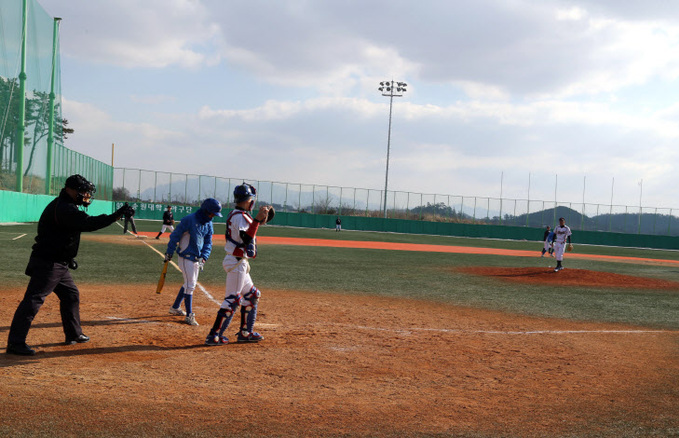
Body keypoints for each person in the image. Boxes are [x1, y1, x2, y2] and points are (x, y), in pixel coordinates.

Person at [6, 174, 131, 356]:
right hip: (49, 264)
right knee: (33, 300)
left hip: (58, 263)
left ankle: (73, 334)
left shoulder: (66, 205)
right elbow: (88, 223)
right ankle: (15, 343)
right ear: (69, 190)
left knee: (71, 295)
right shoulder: (65, 208)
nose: (85, 195)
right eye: (82, 191)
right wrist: (116, 215)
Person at [205, 183, 270, 346]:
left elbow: (249, 230)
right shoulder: (239, 216)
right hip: (236, 261)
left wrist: (260, 220)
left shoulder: (239, 214)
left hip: (239, 262)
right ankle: (214, 335)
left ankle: (245, 333)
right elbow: (246, 238)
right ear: (250, 200)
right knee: (233, 299)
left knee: (253, 295)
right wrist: (257, 220)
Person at [165, 198, 222, 326]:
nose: (212, 216)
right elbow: (175, 236)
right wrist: (170, 251)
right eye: (211, 213)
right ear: (205, 210)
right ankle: (189, 315)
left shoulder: (209, 224)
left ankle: (175, 307)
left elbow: (208, 242)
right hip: (185, 257)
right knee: (190, 285)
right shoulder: (189, 219)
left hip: (197, 258)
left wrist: (204, 257)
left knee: (189, 284)